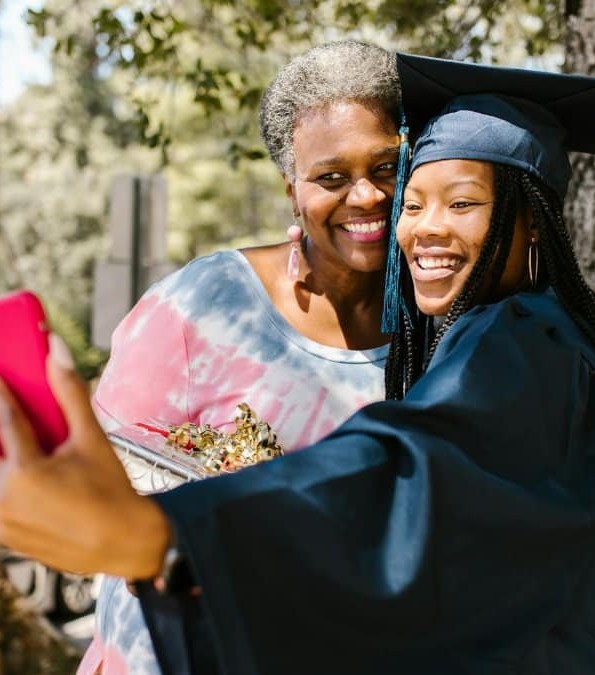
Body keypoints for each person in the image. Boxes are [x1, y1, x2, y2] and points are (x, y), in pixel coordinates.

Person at [0, 52, 595, 674]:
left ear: (531, 225)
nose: (416, 225)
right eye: (419, 201)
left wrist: (166, 539)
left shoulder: (525, 345)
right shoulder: (540, 340)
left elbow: (413, 483)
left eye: (460, 202)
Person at [78, 40, 400, 674]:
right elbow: (98, 493)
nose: (364, 196)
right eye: (330, 177)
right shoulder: (202, 307)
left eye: (386, 167)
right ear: (293, 190)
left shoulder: (437, 331)